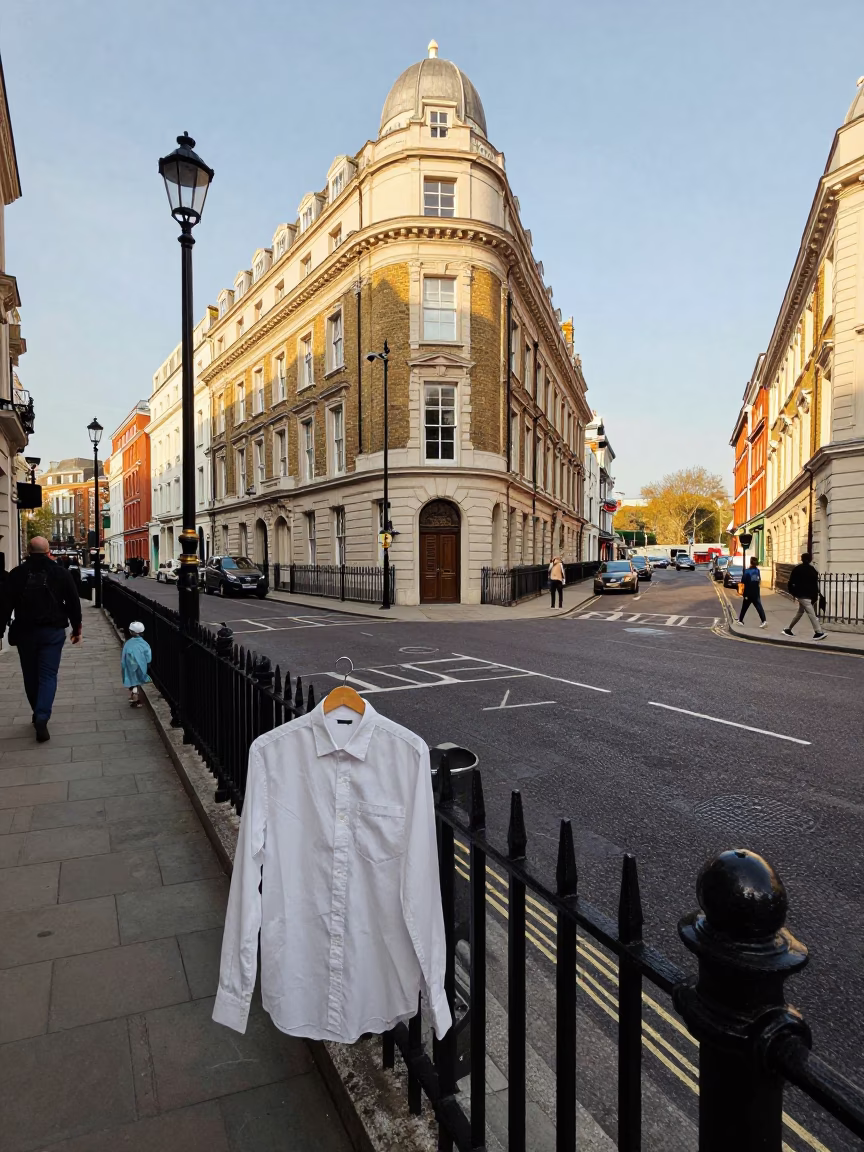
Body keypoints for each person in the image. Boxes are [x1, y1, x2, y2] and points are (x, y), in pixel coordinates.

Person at [0, 537, 82, 741]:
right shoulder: (60, 572)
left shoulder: (17, 574)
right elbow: (73, 601)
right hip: (52, 632)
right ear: (48, 551)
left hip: (25, 632)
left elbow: (4, 605)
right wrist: (76, 627)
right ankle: (42, 715)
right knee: (48, 676)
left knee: (30, 675)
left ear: (28, 551)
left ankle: (37, 712)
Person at [783, 552, 827, 641]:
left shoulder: (797, 569)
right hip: (807, 596)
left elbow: (790, 583)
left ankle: (788, 629)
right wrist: (816, 594)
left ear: (801, 559)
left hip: (801, 595)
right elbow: (815, 584)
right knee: (811, 614)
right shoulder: (812, 569)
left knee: (800, 613)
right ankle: (818, 632)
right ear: (810, 559)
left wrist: (794, 593)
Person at [121, 621, 151, 707]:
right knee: (137, 680)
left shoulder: (128, 643)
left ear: (130, 632)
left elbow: (124, 655)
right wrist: (148, 662)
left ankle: (135, 697)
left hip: (130, 665)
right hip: (141, 665)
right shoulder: (144, 644)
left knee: (133, 680)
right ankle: (135, 697)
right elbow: (148, 655)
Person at [738, 557, 767, 628]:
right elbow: (759, 580)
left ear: (750, 562)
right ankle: (764, 621)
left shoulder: (747, 571)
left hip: (748, 592)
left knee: (744, 607)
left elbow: (743, 582)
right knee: (759, 607)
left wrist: (742, 592)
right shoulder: (757, 571)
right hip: (756, 592)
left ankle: (740, 620)